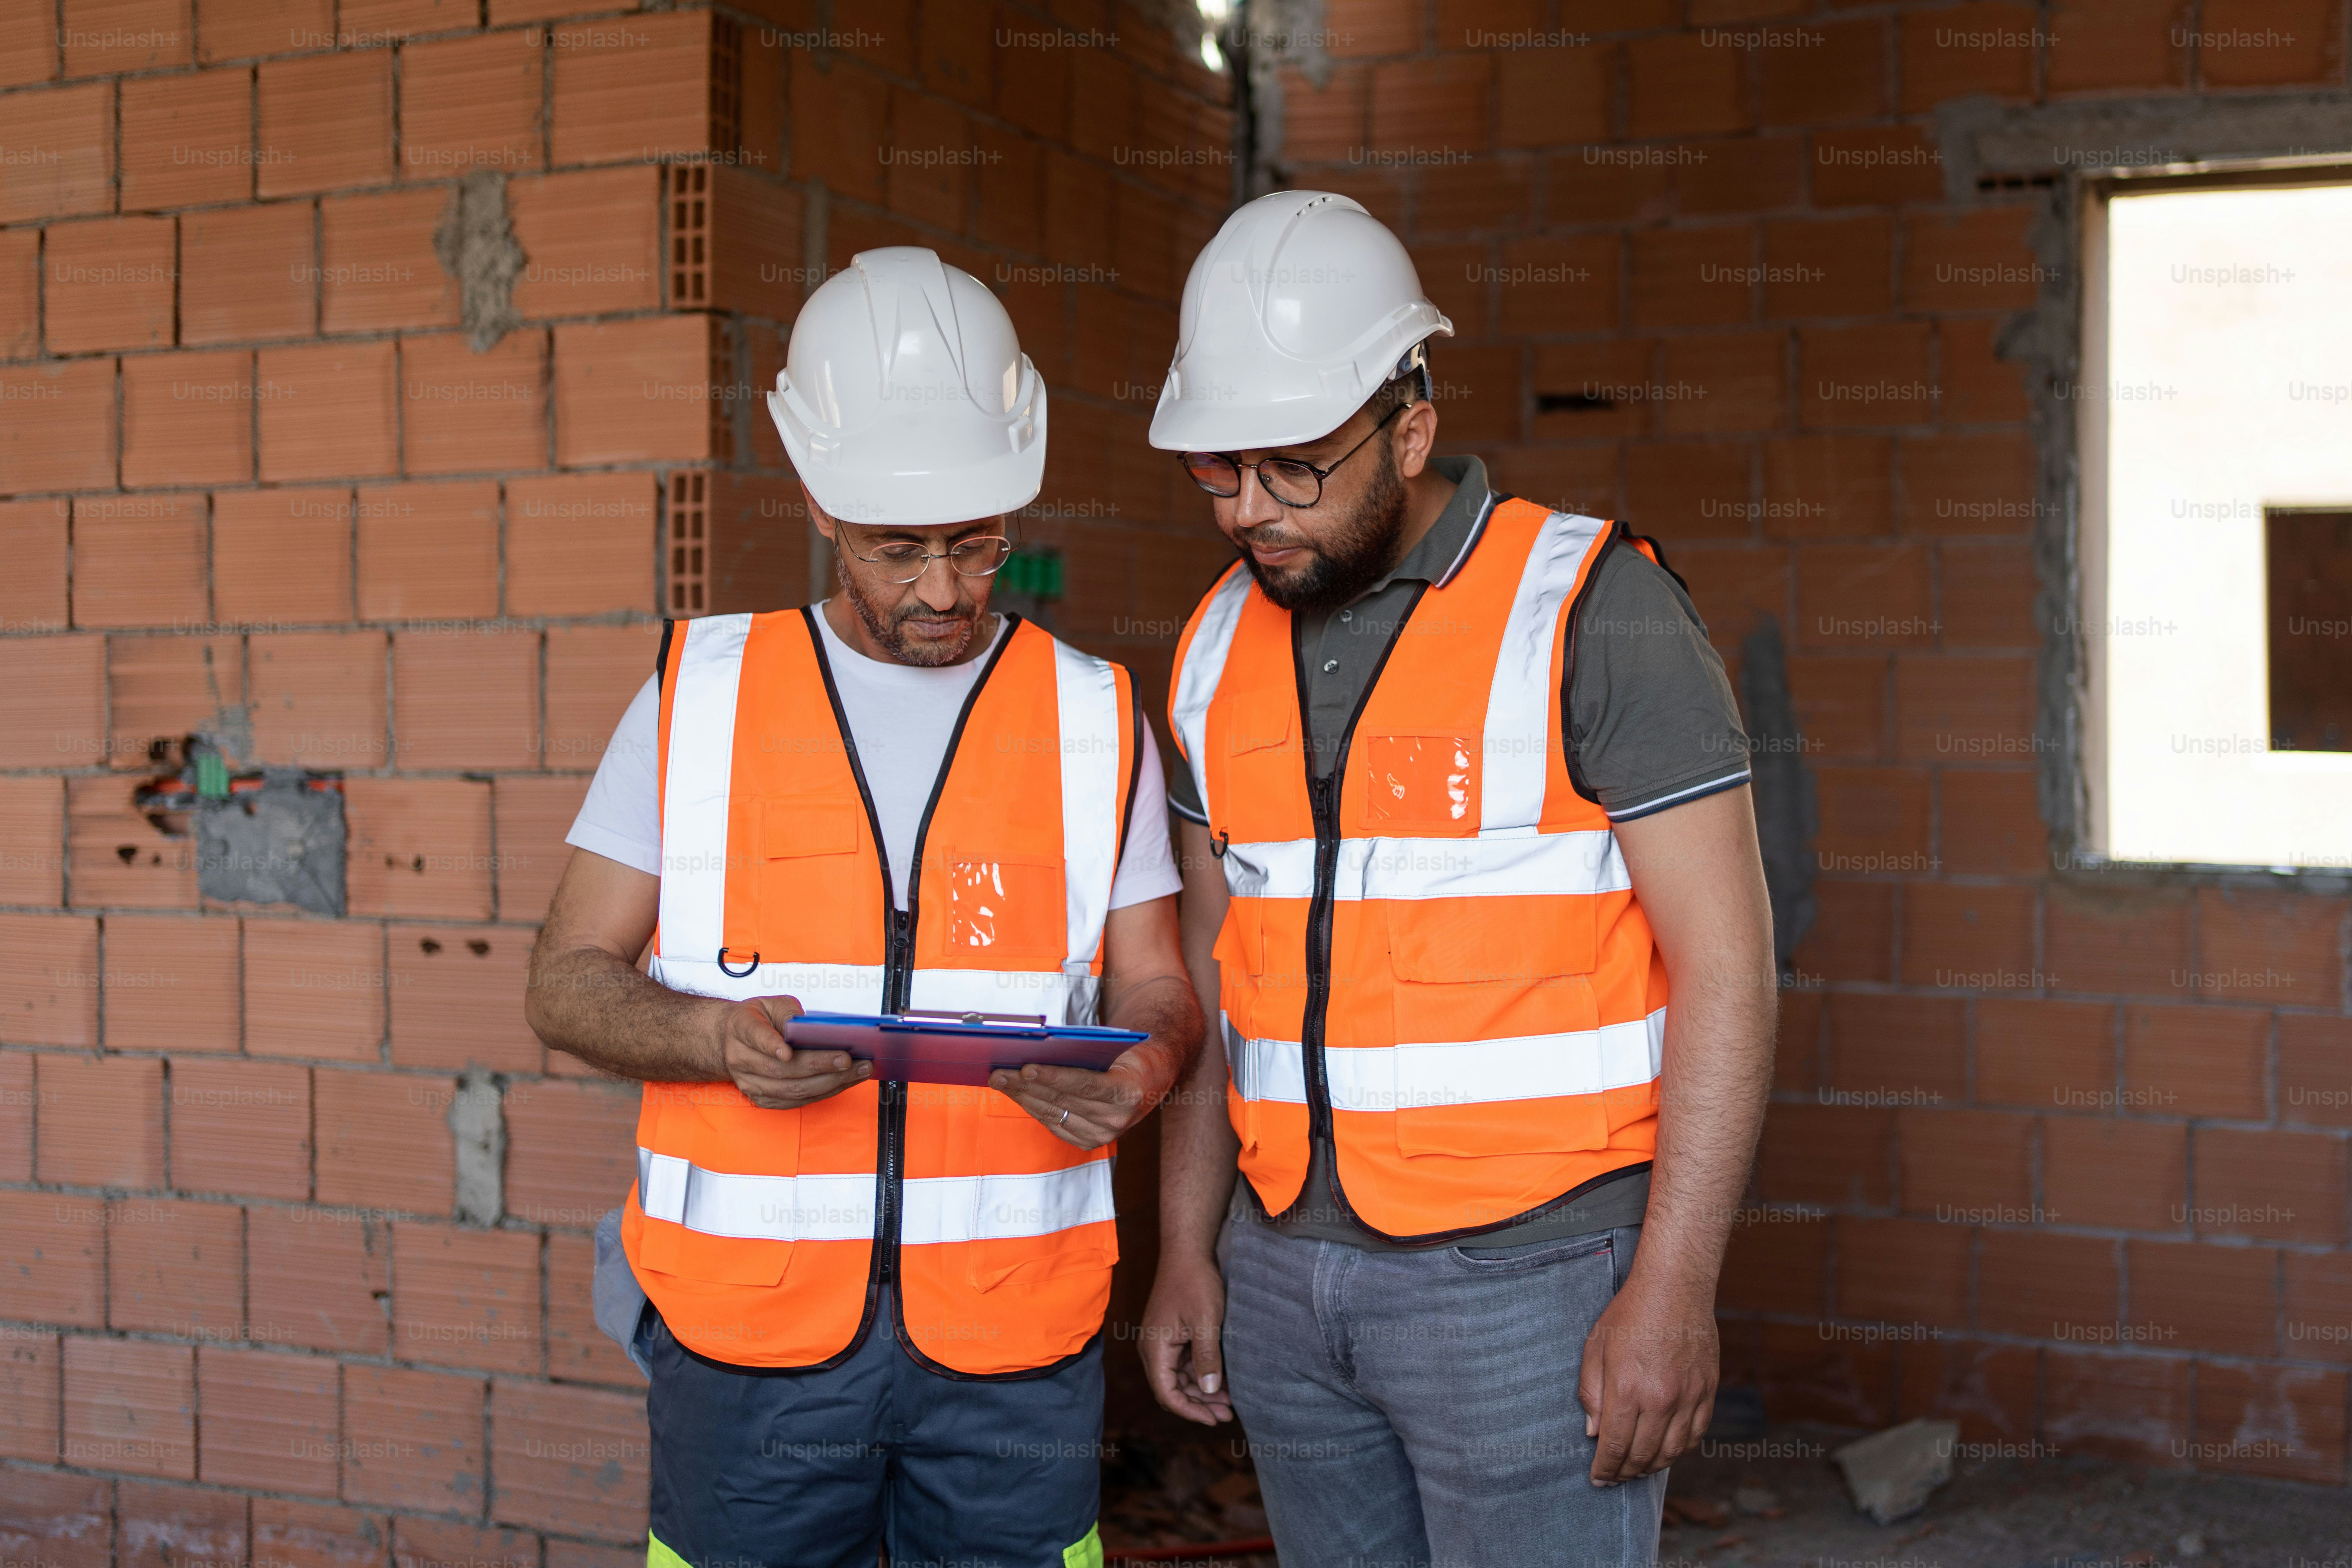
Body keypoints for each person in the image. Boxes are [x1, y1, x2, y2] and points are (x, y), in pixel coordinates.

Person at [526, 247, 1202, 1568]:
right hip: (748, 1355)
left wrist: (1148, 1072)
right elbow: (564, 983)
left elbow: (1159, 989)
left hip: (1013, 1352)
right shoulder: (696, 699)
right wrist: (710, 1040)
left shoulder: (1094, 717)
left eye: (976, 543)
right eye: (903, 550)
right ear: (824, 502)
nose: (945, 590)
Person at [1135, 191, 1777, 1565]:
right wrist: (1188, 1244)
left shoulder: (1594, 607)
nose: (1251, 508)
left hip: (1534, 1280)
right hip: (1284, 1273)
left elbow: (1729, 969)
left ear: (1408, 426)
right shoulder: (1209, 641)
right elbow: (1209, 968)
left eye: (1294, 466)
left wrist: (1673, 1286)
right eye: (1218, 468)